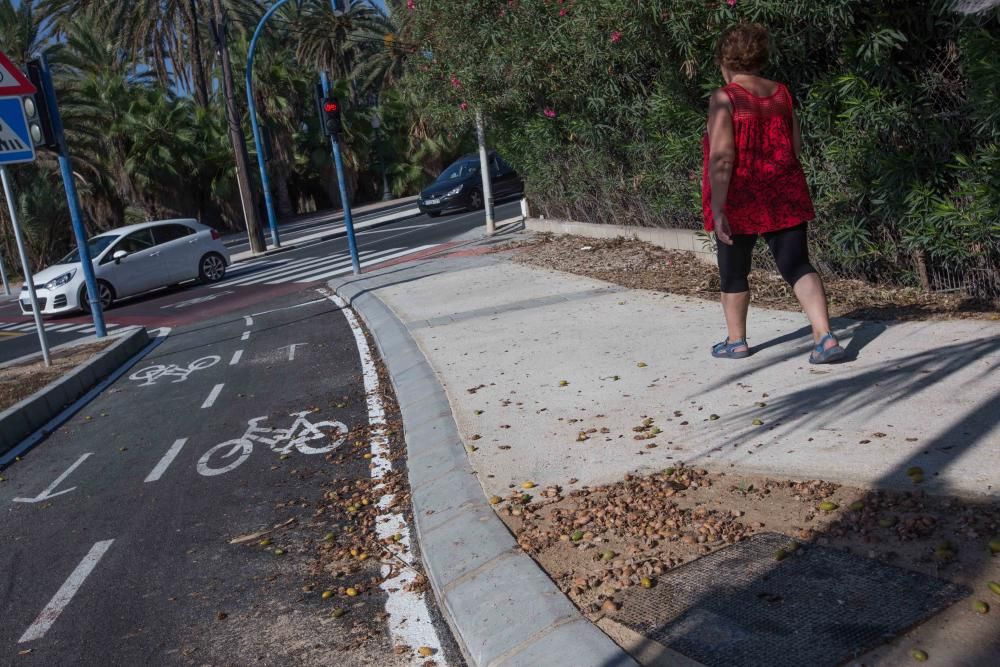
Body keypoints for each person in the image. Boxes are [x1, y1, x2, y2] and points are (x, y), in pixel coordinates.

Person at [702, 23, 845, 364]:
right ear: (761, 58)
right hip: (784, 190)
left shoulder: (726, 98)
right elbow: (795, 146)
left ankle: (736, 341)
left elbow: (722, 157)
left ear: (725, 59)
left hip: (741, 196)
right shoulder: (781, 93)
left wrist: (718, 208)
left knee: (734, 270)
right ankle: (824, 336)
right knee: (797, 264)